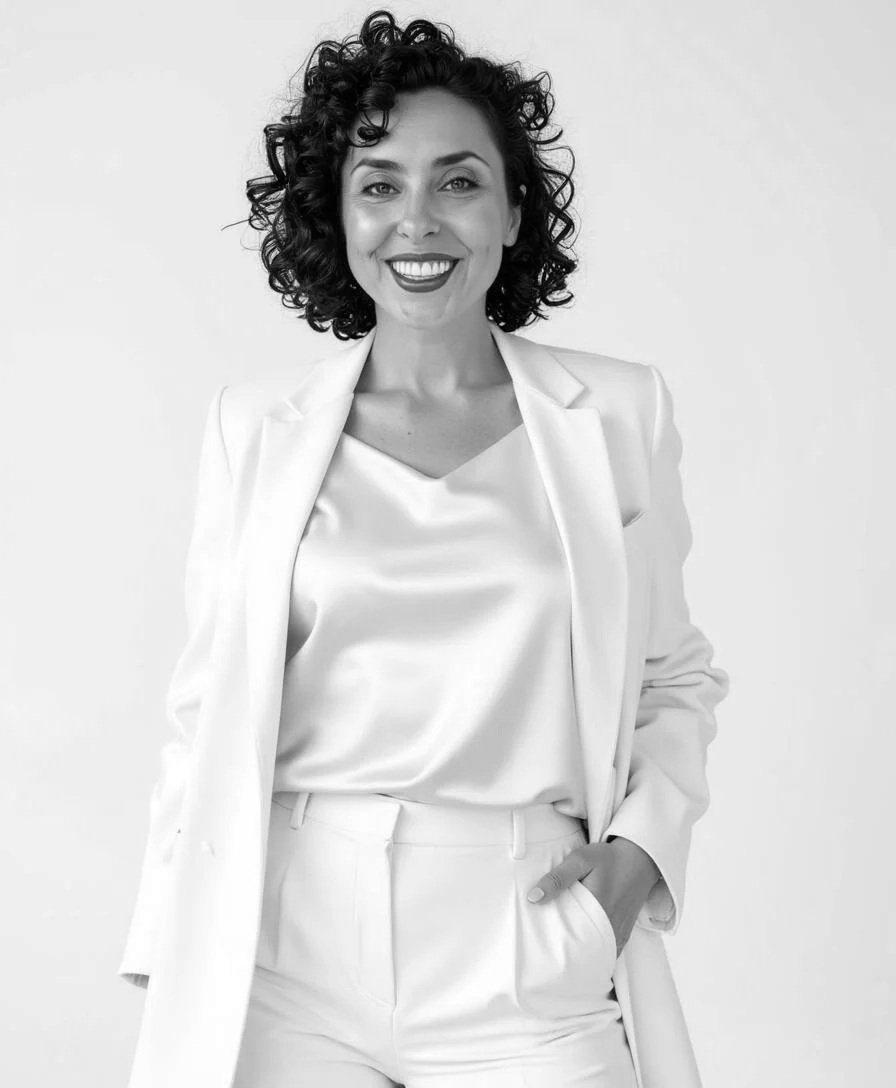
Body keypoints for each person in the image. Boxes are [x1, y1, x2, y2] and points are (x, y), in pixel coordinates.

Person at [118, 10, 730, 1088]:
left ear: (508, 206)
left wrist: (636, 859)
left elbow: (670, 674)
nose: (417, 221)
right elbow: (204, 701)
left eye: (455, 181)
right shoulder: (252, 425)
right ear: (336, 212)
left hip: (525, 941)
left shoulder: (616, 416)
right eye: (378, 183)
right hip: (286, 943)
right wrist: (169, 929)